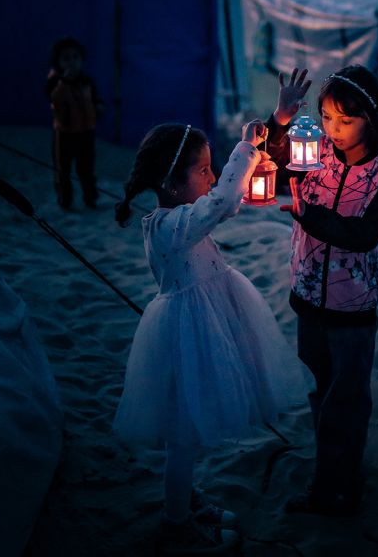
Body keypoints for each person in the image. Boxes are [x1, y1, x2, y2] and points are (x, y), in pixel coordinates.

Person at [113, 121, 305, 555]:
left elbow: (226, 203)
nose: (213, 177)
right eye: (203, 170)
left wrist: (257, 142)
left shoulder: (182, 218)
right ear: (171, 183)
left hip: (206, 321)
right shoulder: (170, 227)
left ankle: (183, 501)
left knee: (190, 435)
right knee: (184, 435)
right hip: (190, 336)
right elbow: (222, 202)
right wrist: (245, 147)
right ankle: (176, 520)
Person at [265, 65, 378, 516]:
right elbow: (272, 155)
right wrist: (282, 118)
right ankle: (331, 472)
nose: (334, 130)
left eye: (347, 120)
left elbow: (364, 234)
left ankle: (338, 492)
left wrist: (309, 216)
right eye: (326, 118)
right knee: (319, 391)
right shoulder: (315, 151)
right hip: (308, 297)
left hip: (352, 308)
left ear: (373, 117)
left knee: (346, 401)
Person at [45, 37, 103, 209]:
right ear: (58, 61)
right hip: (64, 134)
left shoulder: (86, 80)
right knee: (63, 169)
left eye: (76, 57)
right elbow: (53, 98)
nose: (72, 62)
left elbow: (94, 98)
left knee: (87, 168)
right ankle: (65, 200)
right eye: (66, 58)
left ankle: (90, 198)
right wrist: (64, 81)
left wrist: (100, 106)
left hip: (86, 132)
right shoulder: (55, 81)